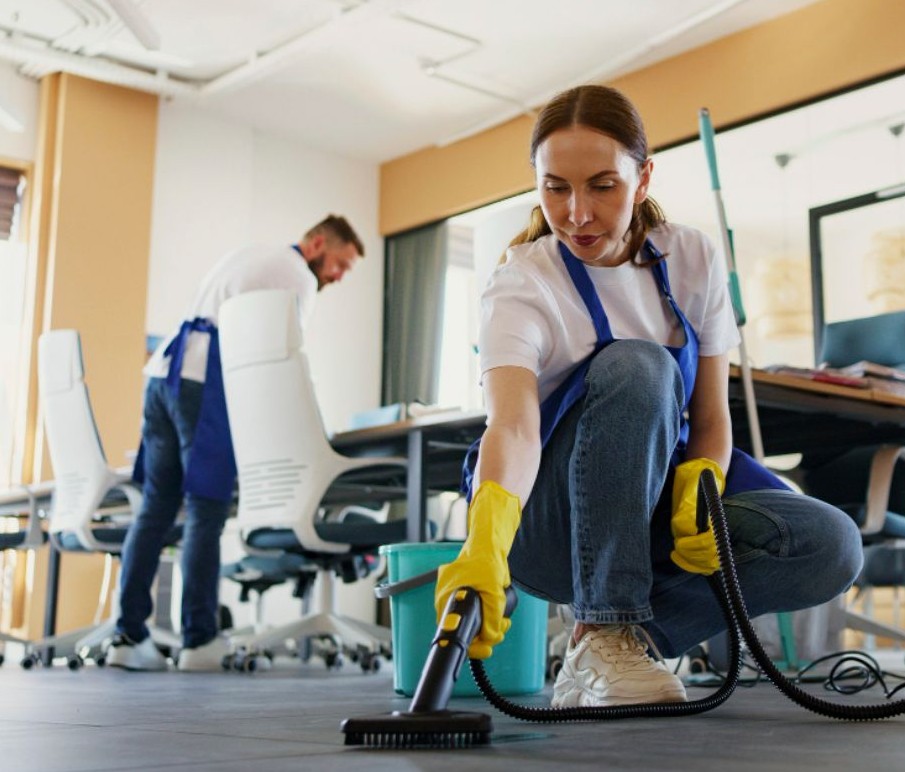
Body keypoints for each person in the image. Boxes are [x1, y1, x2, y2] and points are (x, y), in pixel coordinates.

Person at [435, 85, 863, 707]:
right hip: (549, 526)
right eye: (556, 187)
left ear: (642, 179)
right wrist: (485, 542)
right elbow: (515, 428)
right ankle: (605, 625)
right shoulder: (522, 284)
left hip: (653, 511)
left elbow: (713, 418)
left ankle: (614, 643)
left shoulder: (690, 257)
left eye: (602, 186)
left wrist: (704, 480)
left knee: (829, 545)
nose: (577, 213)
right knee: (640, 364)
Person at [108, 215, 365, 672]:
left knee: (156, 508)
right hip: (203, 380)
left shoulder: (251, 255)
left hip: (163, 374)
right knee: (207, 508)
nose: (338, 276)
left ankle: (128, 637)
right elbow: (283, 360)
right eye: (340, 264)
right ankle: (199, 640)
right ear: (319, 244)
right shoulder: (296, 276)